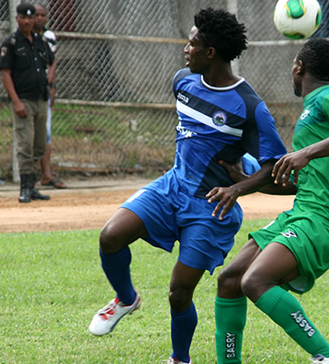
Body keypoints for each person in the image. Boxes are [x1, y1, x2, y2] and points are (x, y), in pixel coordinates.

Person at [87, 8, 287, 364]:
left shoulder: (250, 106)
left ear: (210, 52)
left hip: (211, 209)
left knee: (179, 293)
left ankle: (180, 359)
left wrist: (237, 187)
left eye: (192, 42)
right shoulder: (182, 80)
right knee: (110, 235)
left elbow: (275, 167)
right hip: (172, 187)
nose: (185, 48)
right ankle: (125, 298)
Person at [207, 38, 329, 364]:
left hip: (324, 220)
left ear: (299, 67)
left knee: (256, 280)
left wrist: (305, 152)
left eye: (293, 64)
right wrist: (242, 183)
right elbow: (297, 182)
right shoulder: (311, 111)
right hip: (300, 214)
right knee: (230, 280)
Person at [0, 2, 54, 203]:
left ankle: (33, 187)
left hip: (41, 99)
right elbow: (5, 74)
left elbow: (51, 60)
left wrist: (51, 84)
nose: (28, 21)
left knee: (39, 145)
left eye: (31, 18)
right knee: (25, 144)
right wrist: (16, 101)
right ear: (18, 19)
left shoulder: (39, 41)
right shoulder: (11, 43)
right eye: (24, 18)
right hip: (24, 101)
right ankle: (25, 187)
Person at [34, 4, 67, 190]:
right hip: (28, 91)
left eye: (42, 15)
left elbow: (52, 62)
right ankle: (28, 178)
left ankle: (46, 175)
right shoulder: (23, 38)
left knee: (45, 133)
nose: (39, 18)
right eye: (35, 15)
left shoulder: (48, 38)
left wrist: (52, 86)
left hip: (44, 91)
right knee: (29, 135)